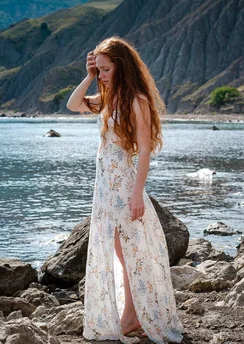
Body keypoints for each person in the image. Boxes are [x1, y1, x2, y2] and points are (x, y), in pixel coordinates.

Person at [67, 37, 184, 344]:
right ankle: (132, 314)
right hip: (105, 187)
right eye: (100, 70)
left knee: (128, 251)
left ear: (121, 66)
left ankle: (132, 316)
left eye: (106, 69)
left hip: (123, 185)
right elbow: (73, 104)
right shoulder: (108, 98)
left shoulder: (137, 101)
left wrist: (137, 194)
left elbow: (144, 151)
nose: (103, 75)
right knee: (119, 251)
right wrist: (91, 75)